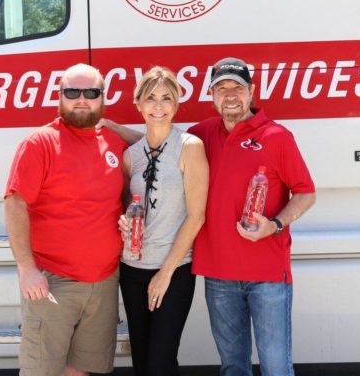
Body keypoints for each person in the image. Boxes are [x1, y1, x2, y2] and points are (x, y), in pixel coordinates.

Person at [107, 57, 316, 376]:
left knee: (275, 366)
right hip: (219, 275)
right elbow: (158, 143)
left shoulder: (276, 136)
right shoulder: (203, 133)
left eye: (238, 88)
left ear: (252, 92)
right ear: (212, 95)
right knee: (233, 366)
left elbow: (306, 193)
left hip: (267, 273)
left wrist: (274, 225)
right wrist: (111, 127)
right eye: (222, 88)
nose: (230, 95)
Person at [4, 63, 127, 376]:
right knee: (41, 372)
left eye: (91, 92)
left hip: (104, 282)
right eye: (72, 92)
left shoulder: (115, 143)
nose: (82, 99)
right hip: (53, 281)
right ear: (59, 96)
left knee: (80, 371)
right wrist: (27, 269)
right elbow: (15, 204)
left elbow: (161, 146)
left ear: (103, 97)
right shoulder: (40, 143)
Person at [118, 66, 209, 376]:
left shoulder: (190, 146)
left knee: (161, 363)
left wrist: (165, 272)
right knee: (142, 362)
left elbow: (196, 216)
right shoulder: (131, 155)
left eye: (166, 98)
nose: (158, 106)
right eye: (151, 98)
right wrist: (123, 221)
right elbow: (127, 207)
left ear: (176, 103)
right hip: (131, 269)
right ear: (138, 104)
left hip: (174, 270)